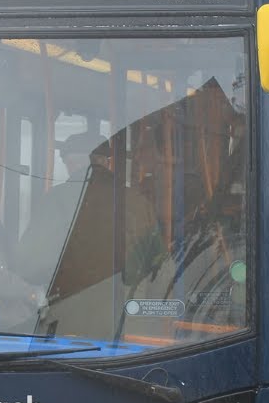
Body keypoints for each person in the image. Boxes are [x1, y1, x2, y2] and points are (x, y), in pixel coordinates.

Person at [17, 131, 161, 338]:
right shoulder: (138, 203)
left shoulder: (55, 202)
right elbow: (159, 265)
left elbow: (27, 263)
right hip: (126, 323)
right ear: (106, 162)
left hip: (68, 323)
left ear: (71, 163)